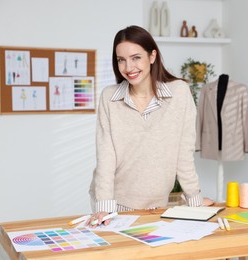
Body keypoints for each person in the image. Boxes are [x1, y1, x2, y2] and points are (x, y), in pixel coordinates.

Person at [87, 25, 213, 227]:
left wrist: (194, 201)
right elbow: (105, 157)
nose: (128, 67)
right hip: (114, 203)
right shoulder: (109, 97)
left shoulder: (179, 93)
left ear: (152, 56)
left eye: (136, 57)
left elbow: (184, 154)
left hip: (157, 205)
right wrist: (104, 206)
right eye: (121, 60)